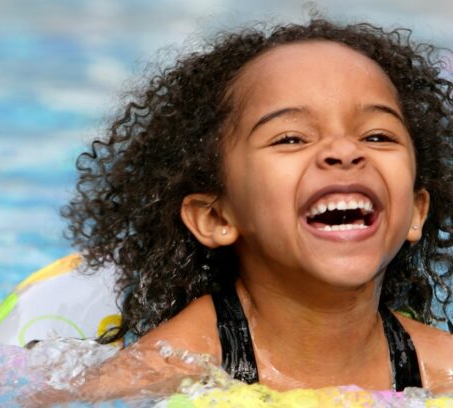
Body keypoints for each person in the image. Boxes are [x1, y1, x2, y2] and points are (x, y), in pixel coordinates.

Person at [61, 17, 453, 399]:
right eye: (290, 139)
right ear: (215, 217)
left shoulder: (440, 368)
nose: (345, 151)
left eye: (377, 135)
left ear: (416, 212)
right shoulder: (178, 364)